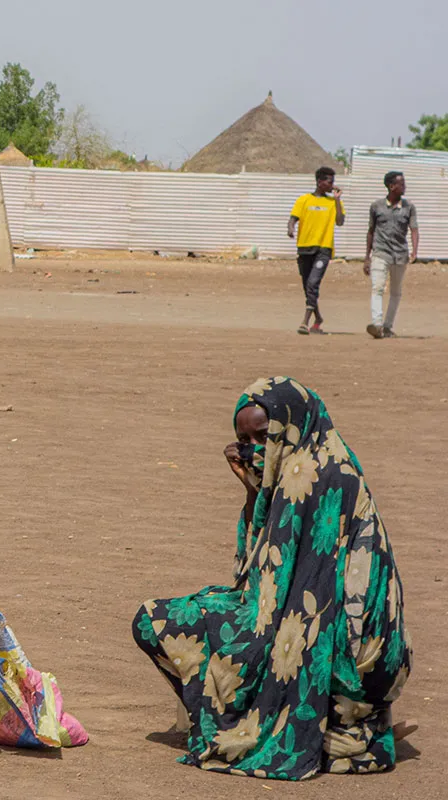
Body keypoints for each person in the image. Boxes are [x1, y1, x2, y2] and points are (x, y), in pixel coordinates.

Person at [132, 377, 412, 780]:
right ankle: (313, 724)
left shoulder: (321, 477)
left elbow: (303, 602)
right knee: (172, 619)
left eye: (265, 437)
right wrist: (252, 489)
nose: (257, 450)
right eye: (246, 441)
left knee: (179, 625)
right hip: (313, 626)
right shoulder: (302, 466)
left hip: (352, 658)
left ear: (292, 424)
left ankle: (293, 726)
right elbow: (260, 572)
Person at [288, 168, 346, 335]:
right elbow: (292, 219)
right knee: (308, 286)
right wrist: (290, 229)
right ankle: (318, 318)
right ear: (319, 182)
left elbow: (340, 221)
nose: (332, 185)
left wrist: (336, 200)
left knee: (313, 283)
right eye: (329, 181)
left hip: (323, 249)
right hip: (305, 248)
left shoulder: (334, 203)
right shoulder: (304, 200)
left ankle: (305, 322)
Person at [364, 172, 419, 339]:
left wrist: (415, 250)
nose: (404, 187)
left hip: (400, 254)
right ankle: (377, 324)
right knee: (377, 287)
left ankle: (388, 326)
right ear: (391, 186)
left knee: (396, 292)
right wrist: (367, 257)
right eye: (401, 184)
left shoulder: (409, 207)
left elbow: (414, 229)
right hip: (381, 253)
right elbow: (371, 231)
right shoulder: (377, 206)